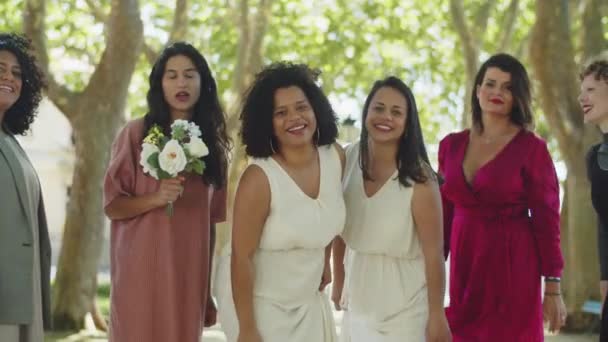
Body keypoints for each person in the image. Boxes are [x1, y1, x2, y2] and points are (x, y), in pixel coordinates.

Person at [103, 42, 230, 342]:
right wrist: (156, 199)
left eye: (189, 74)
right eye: (171, 75)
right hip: (140, 275)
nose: (181, 83)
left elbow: (209, 226)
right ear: (160, 84)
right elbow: (112, 205)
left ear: (203, 82)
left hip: (188, 278)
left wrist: (207, 290)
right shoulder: (135, 134)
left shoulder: (214, 149)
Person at [438, 53, 567, 341]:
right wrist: (431, 271)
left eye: (508, 87)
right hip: (465, 264)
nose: (497, 92)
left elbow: (548, 222)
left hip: (513, 264)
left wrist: (554, 286)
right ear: (477, 89)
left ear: (517, 96)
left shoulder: (532, 149)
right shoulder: (451, 145)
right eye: (491, 83)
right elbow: (443, 215)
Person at [229, 62, 345, 342]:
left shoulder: (336, 157)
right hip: (263, 309)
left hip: (312, 303)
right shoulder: (258, 178)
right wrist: (247, 329)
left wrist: (326, 260)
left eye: (301, 107)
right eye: (281, 112)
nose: (294, 117)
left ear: (315, 109)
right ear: (266, 122)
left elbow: (325, 214)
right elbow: (240, 258)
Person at [331, 76, 451, 342]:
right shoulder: (346, 159)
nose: (386, 117)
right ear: (366, 112)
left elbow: (434, 255)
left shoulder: (421, 180)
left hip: (406, 309)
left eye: (397, 112)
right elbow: (338, 223)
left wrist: (437, 315)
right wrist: (338, 278)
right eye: (379, 108)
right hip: (358, 299)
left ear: (408, 123)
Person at [0, 32, 50, 342]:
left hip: (22, 293)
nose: (9, 77)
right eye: (0, 68)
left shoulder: (11, 142)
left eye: (17, 73)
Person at [578, 57, 608, 338]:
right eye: (581, 91)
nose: (581, 97)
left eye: (590, 90)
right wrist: (604, 277)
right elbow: (604, 223)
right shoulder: (594, 158)